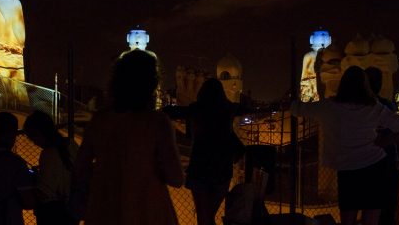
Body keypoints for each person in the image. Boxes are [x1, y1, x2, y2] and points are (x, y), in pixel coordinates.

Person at [73, 49, 184, 225]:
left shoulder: (100, 120)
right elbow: (176, 177)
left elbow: (80, 167)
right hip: (148, 210)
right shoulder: (157, 122)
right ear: (151, 82)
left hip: (104, 210)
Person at [292, 66, 399, 225]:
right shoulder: (373, 107)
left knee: (348, 219)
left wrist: (291, 98)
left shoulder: (329, 107)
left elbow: (298, 109)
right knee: (371, 219)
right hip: (375, 167)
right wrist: (384, 141)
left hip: (347, 169)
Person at [185, 78, 242, 225]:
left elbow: (189, 135)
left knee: (204, 217)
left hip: (199, 168)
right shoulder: (228, 109)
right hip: (222, 170)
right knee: (209, 215)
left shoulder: (196, 109)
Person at [23, 111, 79, 225]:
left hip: (52, 213)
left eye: (33, 138)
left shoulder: (48, 154)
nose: (34, 143)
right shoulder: (71, 144)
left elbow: (45, 191)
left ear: (39, 133)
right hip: (72, 208)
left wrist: (35, 179)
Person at [365, 67, 399, 225]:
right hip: (387, 163)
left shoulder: (358, 108)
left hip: (369, 164)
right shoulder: (387, 106)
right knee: (386, 208)